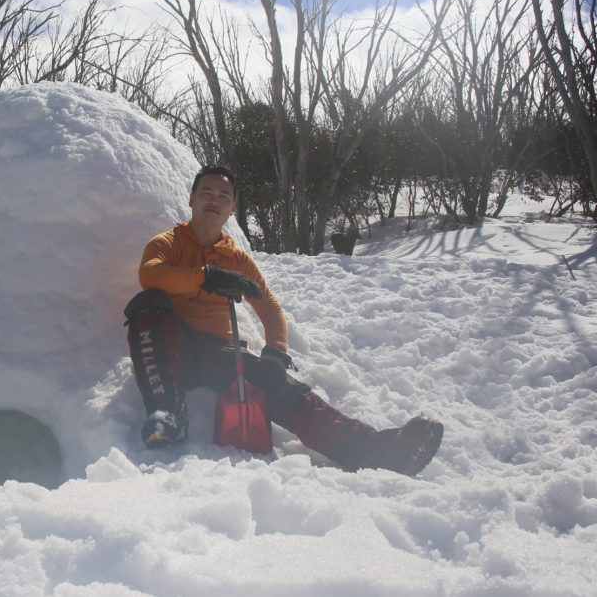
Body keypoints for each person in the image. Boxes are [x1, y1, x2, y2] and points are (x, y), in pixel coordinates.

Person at [123, 165, 443, 475]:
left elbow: (270, 307)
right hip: (169, 347)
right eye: (206, 192)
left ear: (232, 208)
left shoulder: (236, 258)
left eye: (223, 195)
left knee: (277, 384)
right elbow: (150, 274)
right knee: (146, 306)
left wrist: (275, 350)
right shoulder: (168, 243)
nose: (214, 200)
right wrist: (206, 277)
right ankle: (165, 413)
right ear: (191, 199)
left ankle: (373, 449)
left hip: (218, 353)